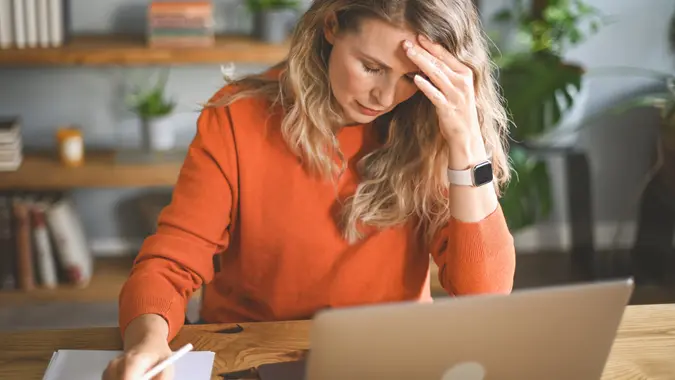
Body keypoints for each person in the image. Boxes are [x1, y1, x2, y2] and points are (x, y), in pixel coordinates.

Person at [103, 0, 516, 378]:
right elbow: (171, 264)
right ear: (330, 25)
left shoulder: (429, 129)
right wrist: (148, 343)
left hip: (389, 355)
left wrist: (466, 143)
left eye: (412, 76)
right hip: (254, 356)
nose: (386, 96)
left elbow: (485, 293)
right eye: (371, 67)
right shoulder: (238, 119)